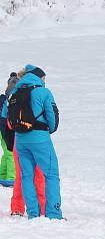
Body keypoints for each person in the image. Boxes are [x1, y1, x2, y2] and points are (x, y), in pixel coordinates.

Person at [0, 65, 61, 219]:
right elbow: (52, 118)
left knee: (26, 176)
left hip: (20, 140)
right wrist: (47, 130)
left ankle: (33, 213)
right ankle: (53, 213)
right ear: (38, 77)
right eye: (43, 78)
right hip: (40, 138)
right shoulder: (44, 92)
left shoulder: (14, 93)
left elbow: (7, 120)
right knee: (51, 175)